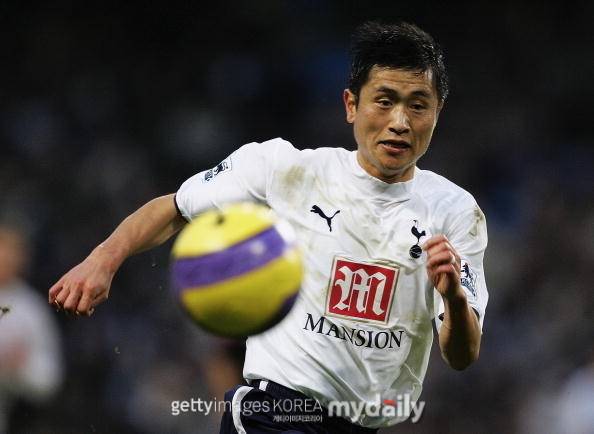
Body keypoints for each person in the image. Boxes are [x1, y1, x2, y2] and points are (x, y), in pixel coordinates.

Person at [49, 21, 488, 433]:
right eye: (385, 100)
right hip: (275, 414)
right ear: (351, 105)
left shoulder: (454, 211)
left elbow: (462, 354)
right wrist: (102, 261)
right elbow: (175, 207)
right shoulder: (284, 169)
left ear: (438, 112)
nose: (400, 122)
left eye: (418, 106)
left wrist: (452, 295)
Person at [0, 220, 63, 433]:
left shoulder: (31, 309)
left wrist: (21, 368)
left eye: (12, 251)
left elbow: (49, 378)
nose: (5, 258)